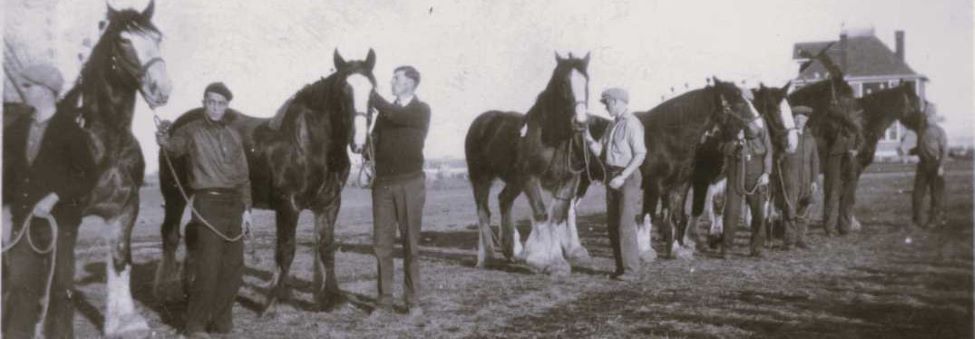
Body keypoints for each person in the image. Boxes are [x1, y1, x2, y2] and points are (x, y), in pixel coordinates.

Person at [3, 63, 98, 338]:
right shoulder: (17, 128)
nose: (25, 90)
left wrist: (56, 196)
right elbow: (7, 175)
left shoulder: (71, 131)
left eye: (29, 85)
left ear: (45, 92)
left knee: (60, 286)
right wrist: (3, 211)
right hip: (23, 222)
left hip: (60, 224)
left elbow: (88, 176)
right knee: (20, 284)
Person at [156, 82, 252, 337]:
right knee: (208, 269)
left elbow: (243, 176)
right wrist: (163, 138)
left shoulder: (233, 135)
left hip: (234, 205)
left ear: (226, 106)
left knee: (233, 269)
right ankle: (195, 325)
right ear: (204, 102)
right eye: (211, 102)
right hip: (207, 203)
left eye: (221, 103)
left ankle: (221, 322)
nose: (216, 107)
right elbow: (174, 147)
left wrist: (247, 210)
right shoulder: (191, 131)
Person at [368, 66, 431, 319]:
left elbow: (398, 116)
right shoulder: (385, 112)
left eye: (397, 78)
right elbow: (374, 138)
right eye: (392, 77)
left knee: (410, 245)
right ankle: (383, 303)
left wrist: (376, 100)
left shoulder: (420, 110)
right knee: (381, 246)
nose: (391, 81)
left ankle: (413, 302)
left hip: (410, 183)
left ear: (411, 83)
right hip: (382, 185)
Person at [584, 88, 646, 281]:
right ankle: (621, 268)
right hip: (613, 176)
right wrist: (586, 135)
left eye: (607, 102)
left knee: (625, 224)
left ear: (618, 101)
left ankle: (631, 271)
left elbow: (640, 154)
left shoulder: (632, 124)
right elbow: (601, 151)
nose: (605, 106)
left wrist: (623, 176)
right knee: (613, 224)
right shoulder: (612, 125)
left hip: (626, 176)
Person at [720, 95, 772, 258]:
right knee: (732, 210)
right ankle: (727, 247)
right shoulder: (730, 124)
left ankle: (757, 247)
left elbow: (768, 149)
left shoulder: (760, 122)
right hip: (737, 167)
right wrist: (736, 141)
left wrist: (766, 172)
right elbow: (723, 149)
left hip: (756, 167)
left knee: (758, 211)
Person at [773, 105, 820, 250]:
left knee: (804, 208)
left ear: (806, 120)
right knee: (789, 208)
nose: (800, 121)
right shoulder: (786, 137)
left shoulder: (810, 138)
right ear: (793, 120)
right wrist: (783, 154)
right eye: (797, 118)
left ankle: (801, 238)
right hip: (790, 177)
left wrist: (814, 180)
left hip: (806, 178)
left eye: (803, 118)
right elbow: (778, 156)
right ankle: (789, 240)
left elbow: (815, 161)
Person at [822, 97, 863, 236]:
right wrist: (844, 120)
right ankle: (830, 227)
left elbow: (862, 140)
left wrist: (856, 150)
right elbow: (830, 134)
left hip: (850, 160)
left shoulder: (854, 124)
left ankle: (844, 226)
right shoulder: (831, 122)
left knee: (848, 195)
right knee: (832, 193)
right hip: (835, 159)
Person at [910, 109, 948, 229]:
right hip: (922, 165)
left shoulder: (940, 131)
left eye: (931, 117)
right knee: (917, 193)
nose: (928, 119)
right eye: (927, 117)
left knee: (936, 194)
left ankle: (935, 220)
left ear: (935, 118)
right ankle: (917, 220)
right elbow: (920, 147)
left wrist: (941, 166)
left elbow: (945, 150)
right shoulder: (921, 130)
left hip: (935, 165)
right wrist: (909, 151)